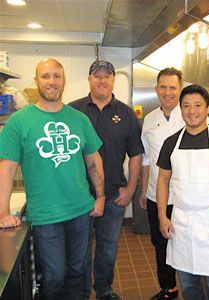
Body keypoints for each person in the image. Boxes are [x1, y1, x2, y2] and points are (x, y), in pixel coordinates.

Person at [0, 58, 105, 299]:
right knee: (54, 276)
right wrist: (3, 211)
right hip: (46, 215)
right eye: (45, 76)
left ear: (64, 81)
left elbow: (93, 160)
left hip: (81, 210)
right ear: (36, 81)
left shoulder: (79, 119)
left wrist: (100, 197)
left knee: (79, 272)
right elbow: (6, 168)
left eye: (57, 76)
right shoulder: (19, 121)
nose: (52, 82)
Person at [139, 68, 209, 300]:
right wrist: (142, 190)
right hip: (157, 194)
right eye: (163, 87)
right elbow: (147, 160)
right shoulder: (149, 119)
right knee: (161, 246)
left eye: (172, 88)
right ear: (156, 90)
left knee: (196, 257)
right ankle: (168, 289)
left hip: (186, 200)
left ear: (179, 90)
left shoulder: (191, 113)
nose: (168, 93)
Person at [157, 84, 209, 300]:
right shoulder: (171, 142)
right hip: (181, 223)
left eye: (197, 105)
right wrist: (162, 216)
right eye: (186, 106)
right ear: (180, 109)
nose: (192, 111)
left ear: (208, 109)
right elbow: (163, 180)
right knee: (188, 286)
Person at [69, 60, 144, 300]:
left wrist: (130, 189)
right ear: (89, 79)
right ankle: (79, 292)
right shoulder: (72, 111)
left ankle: (103, 289)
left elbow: (136, 154)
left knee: (108, 248)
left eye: (107, 76)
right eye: (97, 75)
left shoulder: (126, 113)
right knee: (79, 250)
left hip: (113, 195)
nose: (102, 80)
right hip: (78, 196)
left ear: (113, 80)